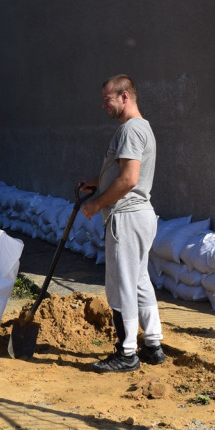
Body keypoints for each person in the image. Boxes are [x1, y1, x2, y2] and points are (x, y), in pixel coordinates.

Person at [80, 75, 164, 372]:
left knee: (122, 285)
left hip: (126, 216)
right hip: (139, 214)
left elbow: (129, 179)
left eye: (108, 99)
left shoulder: (130, 129)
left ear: (125, 96)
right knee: (139, 280)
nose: (104, 105)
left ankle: (127, 353)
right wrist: (97, 182)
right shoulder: (142, 128)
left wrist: (97, 203)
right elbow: (124, 173)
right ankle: (153, 344)